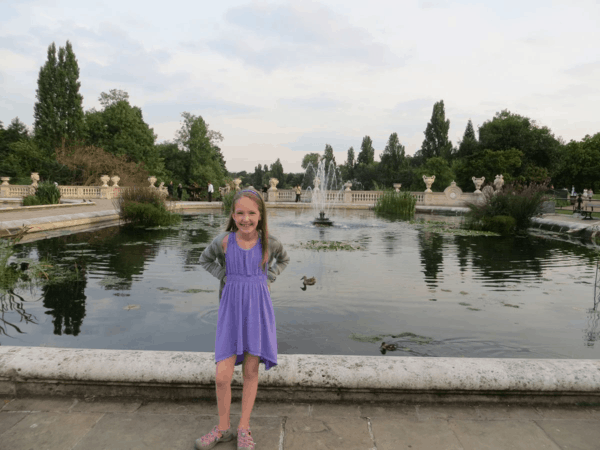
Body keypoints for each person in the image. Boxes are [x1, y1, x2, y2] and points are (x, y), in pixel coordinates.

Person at [196, 189, 289, 450]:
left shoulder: (269, 242)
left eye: (251, 213)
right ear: (233, 215)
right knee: (222, 376)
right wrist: (225, 277)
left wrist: (268, 277)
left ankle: (243, 428)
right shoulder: (224, 241)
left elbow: (284, 260)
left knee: (250, 371)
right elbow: (204, 260)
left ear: (260, 215)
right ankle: (222, 428)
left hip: (258, 310)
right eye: (240, 213)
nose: (245, 218)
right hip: (231, 310)